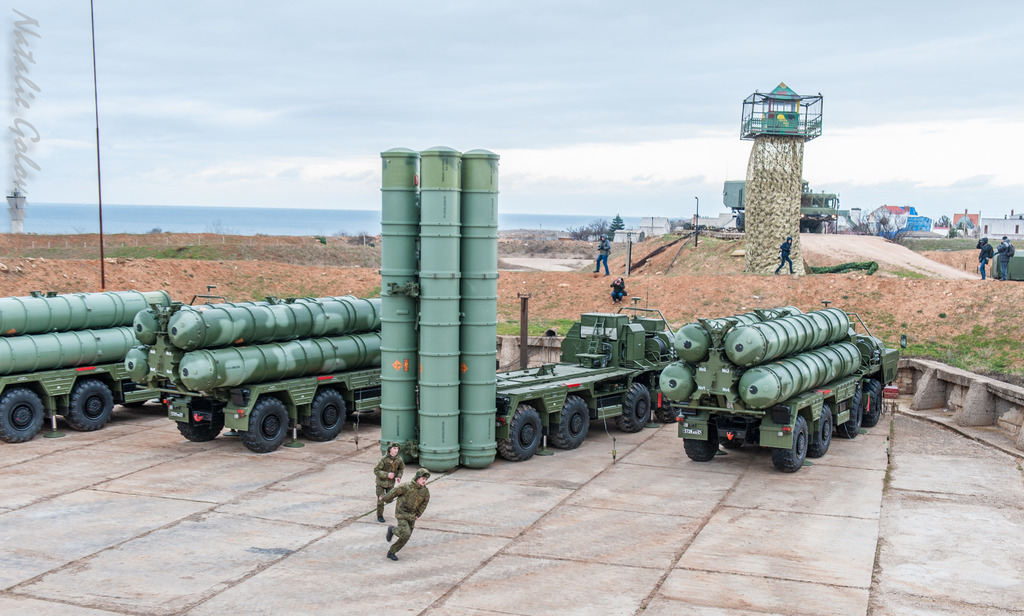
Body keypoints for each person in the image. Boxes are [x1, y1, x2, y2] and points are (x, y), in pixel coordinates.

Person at [382, 468, 431, 561]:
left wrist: (418, 514)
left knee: (406, 537)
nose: (424, 481)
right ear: (418, 478)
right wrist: (384, 498)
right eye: (423, 478)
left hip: (412, 515)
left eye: (425, 479)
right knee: (405, 533)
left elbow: (424, 503)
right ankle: (392, 530)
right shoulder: (406, 486)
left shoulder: (425, 491)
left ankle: (391, 552)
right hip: (402, 513)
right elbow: (394, 492)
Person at [374, 442, 405, 523]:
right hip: (381, 483)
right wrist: (387, 475)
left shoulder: (399, 459)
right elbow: (376, 470)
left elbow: (401, 469)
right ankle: (380, 515)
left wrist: (398, 476)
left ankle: (385, 499)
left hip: (390, 484)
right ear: (390, 449)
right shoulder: (383, 459)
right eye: (394, 448)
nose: (396, 450)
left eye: (397, 449)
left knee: (389, 499)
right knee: (381, 500)